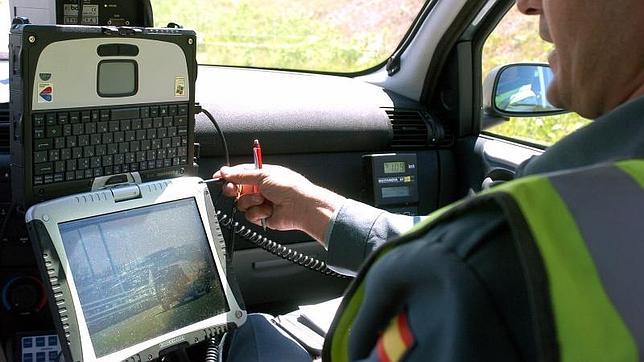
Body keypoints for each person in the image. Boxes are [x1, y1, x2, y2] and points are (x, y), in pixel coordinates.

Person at [214, 0, 644, 359]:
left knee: (251, 337)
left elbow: (472, 261)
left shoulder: (512, 251)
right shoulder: (565, 224)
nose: (526, 4)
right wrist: (319, 212)